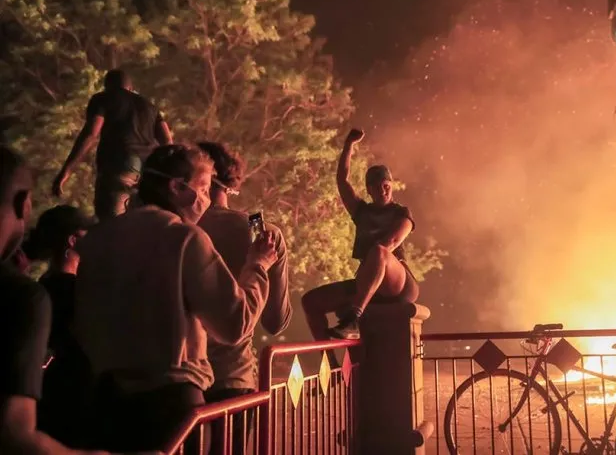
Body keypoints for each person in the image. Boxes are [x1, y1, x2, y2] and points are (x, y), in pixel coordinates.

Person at [73, 144, 273, 453]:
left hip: (105, 399)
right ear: (178, 187)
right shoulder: (184, 238)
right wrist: (257, 265)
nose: (205, 200)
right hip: (169, 404)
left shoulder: (98, 239)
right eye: (203, 188)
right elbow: (234, 324)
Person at [0, 146, 109, 455]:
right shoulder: (29, 297)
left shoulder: (41, 287)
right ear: (23, 204)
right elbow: (14, 434)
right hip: (69, 412)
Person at [197, 141, 291, 455]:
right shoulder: (257, 229)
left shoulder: (176, 227)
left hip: (179, 375)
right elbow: (275, 321)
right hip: (232, 375)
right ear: (232, 181)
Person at [301, 129, 419, 341]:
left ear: (391, 186)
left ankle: (354, 318)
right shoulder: (361, 211)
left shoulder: (401, 213)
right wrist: (348, 145)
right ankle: (329, 362)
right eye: (377, 187)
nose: (383, 191)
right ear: (369, 190)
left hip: (397, 283)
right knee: (310, 301)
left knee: (379, 251)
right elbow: (342, 180)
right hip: (367, 281)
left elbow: (392, 242)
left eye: (386, 186)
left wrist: (359, 288)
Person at [52, 69, 173, 221]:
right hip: (146, 173)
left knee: (110, 227)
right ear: (130, 87)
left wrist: (66, 171)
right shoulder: (150, 106)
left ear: (108, 86)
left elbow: (91, 133)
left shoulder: (103, 99)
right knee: (137, 229)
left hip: (120, 165)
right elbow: (168, 142)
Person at [22, 205, 96, 447]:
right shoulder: (77, 293)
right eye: (88, 235)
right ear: (73, 240)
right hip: (73, 400)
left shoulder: (40, 288)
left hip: (44, 397)